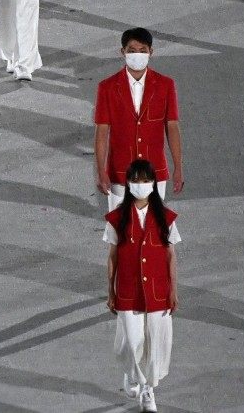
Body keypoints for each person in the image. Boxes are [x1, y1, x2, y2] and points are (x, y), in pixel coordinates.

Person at [105, 159, 180, 412]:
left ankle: (148, 389)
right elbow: (113, 256)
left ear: (153, 184)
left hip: (158, 291)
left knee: (156, 342)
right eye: (135, 180)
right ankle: (132, 372)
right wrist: (110, 291)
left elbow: (170, 256)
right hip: (128, 290)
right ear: (127, 184)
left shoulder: (165, 218)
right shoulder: (117, 218)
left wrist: (173, 291)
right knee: (133, 341)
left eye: (146, 180)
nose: (141, 185)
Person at [93, 27, 185, 211]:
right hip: (120, 172)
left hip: (155, 172)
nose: (137, 55)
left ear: (151, 52)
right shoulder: (107, 87)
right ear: (123, 52)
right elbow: (102, 131)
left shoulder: (166, 85)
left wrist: (178, 167)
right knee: (121, 229)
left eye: (143, 51)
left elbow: (172, 126)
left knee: (154, 228)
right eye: (132, 51)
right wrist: (101, 171)